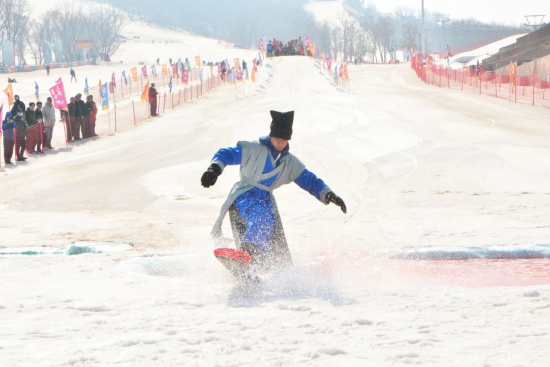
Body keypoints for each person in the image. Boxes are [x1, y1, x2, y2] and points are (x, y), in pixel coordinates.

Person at [201, 110, 347, 270]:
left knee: (278, 246)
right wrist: (214, 170)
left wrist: (328, 193)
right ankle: (249, 255)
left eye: (283, 140)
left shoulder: (289, 162)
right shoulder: (253, 148)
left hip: (266, 202)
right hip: (244, 197)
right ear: (271, 136)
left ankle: (267, 270)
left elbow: (309, 180)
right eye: (277, 139)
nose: (279, 143)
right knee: (261, 218)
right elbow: (227, 154)